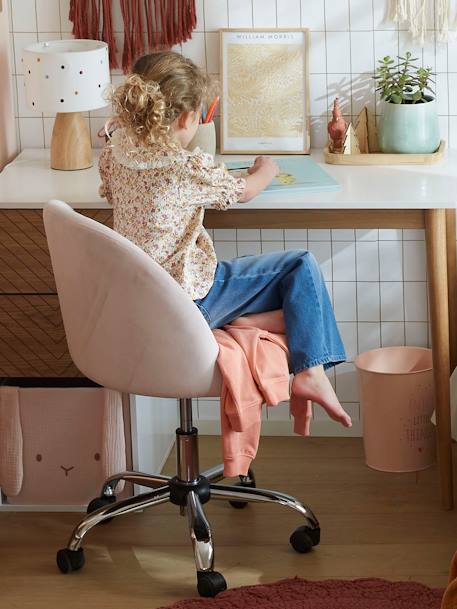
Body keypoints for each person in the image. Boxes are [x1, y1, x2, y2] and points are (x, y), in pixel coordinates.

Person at [99, 51, 351, 429]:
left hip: (138, 307)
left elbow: (109, 190)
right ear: (187, 119)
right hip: (187, 305)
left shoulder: (115, 154)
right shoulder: (184, 167)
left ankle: (268, 331)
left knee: (253, 275)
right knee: (299, 267)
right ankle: (311, 371)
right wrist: (266, 170)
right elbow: (244, 191)